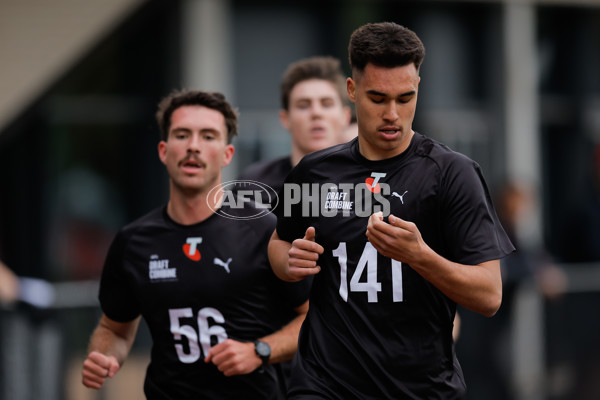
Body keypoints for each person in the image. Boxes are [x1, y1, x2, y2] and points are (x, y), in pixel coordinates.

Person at [268, 22, 515, 399]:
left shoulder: (452, 174)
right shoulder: (316, 171)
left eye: (405, 98)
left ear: (418, 86)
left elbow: (489, 295)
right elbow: (279, 243)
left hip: (420, 387)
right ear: (352, 91)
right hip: (324, 384)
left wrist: (419, 256)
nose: (392, 114)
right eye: (378, 98)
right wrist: (290, 263)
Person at [81, 90, 309, 399]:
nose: (193, 146)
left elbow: (314, 318)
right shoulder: (133, 241)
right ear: (163, 150)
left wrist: (260, 350)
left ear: (227, 154)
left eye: (208, 136)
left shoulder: (263, 229)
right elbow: (115, 329)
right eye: (182, 135)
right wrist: (104, 356)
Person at [239, 55, 352, 201]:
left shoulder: (368, 184)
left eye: (326, 104)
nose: (316, 113)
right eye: (303, 105)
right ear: (285, 119)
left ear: (345, 116)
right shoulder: (253, 186)